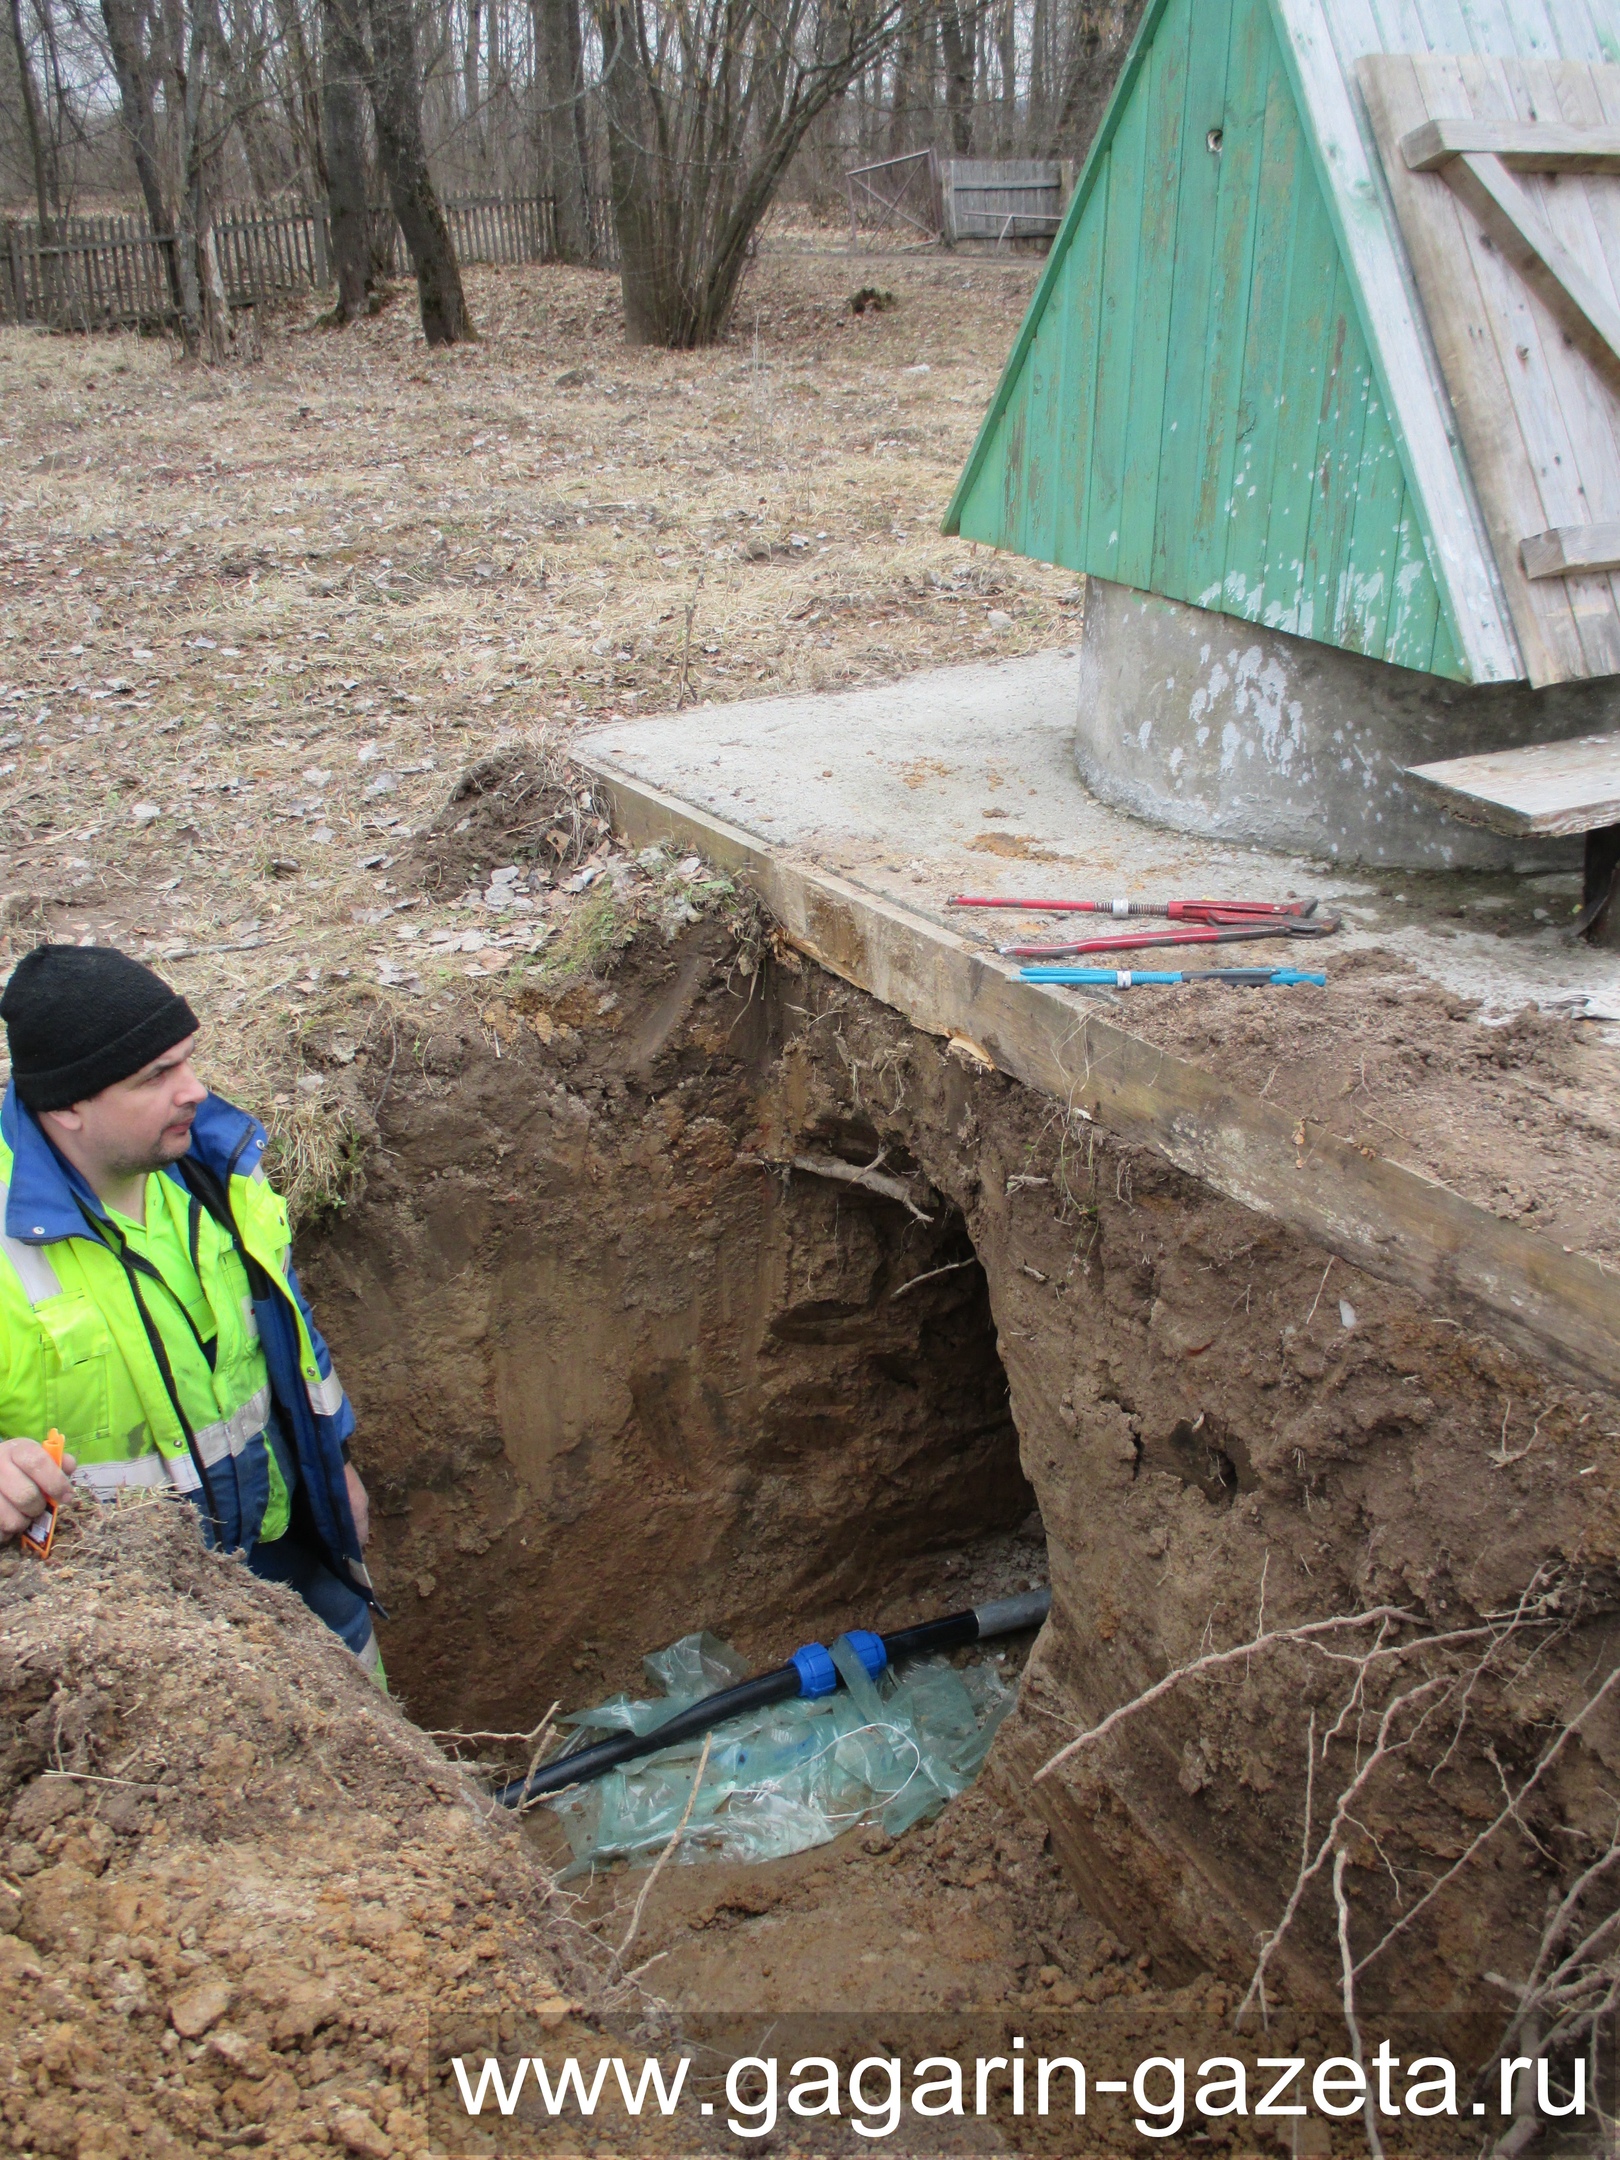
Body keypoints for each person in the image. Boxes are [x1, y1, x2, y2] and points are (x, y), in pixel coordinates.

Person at [0, 943, 382, 1674]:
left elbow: (292, 1340)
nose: (196, 1090)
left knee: (368, 1725)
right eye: (158, 1076)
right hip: (133, 1635)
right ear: (69, 1104)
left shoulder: (215, 1173)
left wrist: (337, 1473)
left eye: (188, 1061)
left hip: (293, 1553)